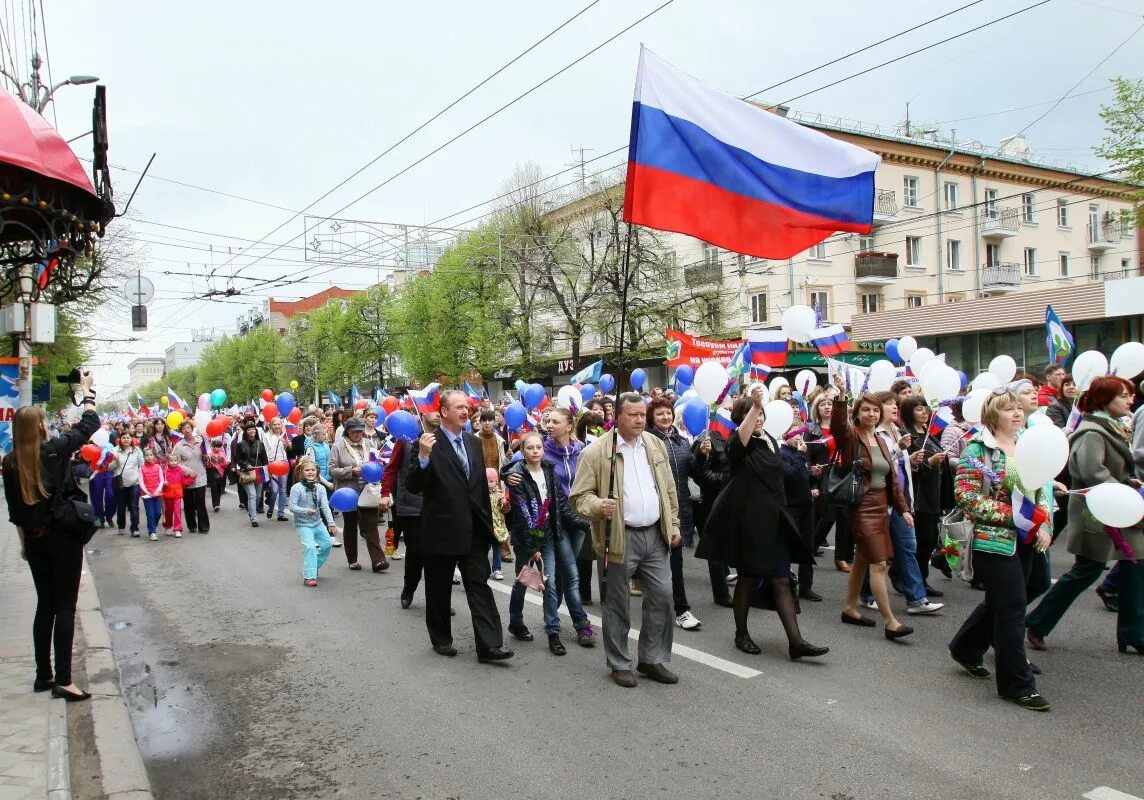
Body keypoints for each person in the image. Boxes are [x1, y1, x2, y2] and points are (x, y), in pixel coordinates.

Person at [696, 387, 828, 660]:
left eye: (760, 414)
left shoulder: (769, 439)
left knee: (781, 578)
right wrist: (755, 404)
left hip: (776, 519)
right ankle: (741, 633)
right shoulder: (737, 443)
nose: (757, 419)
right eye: (751, 415)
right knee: (748, 579)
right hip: (751, 523)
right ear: (740, 418)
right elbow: (741, 440)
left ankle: (796, 642)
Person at [949, 389, 1051, 712]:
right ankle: (1016, 684)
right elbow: (965, 495)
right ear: (994, 415)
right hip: (993, 541)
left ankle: (966, 647)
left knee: (1011, 597)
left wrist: (1043, 523)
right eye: (1009, 410)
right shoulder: (979, 450)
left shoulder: (1029, 444)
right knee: (1012, 607)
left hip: (1028, 537)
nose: (1017, 414)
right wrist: (1013, 518)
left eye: (1019, 408)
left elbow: (1042, 486)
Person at [571, 392, 681, 688]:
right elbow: (579, 497)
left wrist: (674, 523)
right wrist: (598, 506)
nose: (639, 419)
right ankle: (620, 663)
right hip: (618, 538)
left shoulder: (654, 444)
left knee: (663, 597)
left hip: (655, 535)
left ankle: (651, 659)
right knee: (617, 603)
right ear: (617, 417)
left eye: (642, 414)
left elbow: (668, 489)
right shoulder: (596, 452)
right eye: (632, 414)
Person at [1026, 376, 1142, 655]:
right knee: (1086, 571)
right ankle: (1038, 622)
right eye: (1123, 395)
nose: (1130, 400)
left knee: (1135, 565)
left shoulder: (1111, 426)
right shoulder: (1092, 431)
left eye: (1130, 395)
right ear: (1105, 400)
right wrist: (1124, 489)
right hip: (1099, 512)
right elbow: (1092, 472)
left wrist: (1128, 483)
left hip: (1116, 508)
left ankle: (1133, 632)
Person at [3, 370, 98, 700]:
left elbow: (15, 513)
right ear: (42, 427)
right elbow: (89, 425)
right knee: (65, 608)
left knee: (44, 605)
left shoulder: (10, 462)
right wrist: (86, 390)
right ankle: (65, 680)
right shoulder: (54, 450)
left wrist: (25, 546)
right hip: (64, 539)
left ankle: (43, 675)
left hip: (35, 540)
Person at [407, 390, 513, 662]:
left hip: (473, 530)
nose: (466, 412)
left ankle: (489, 646)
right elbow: (413, 486)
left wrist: (491, 526)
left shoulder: (473, 442)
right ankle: (441, 639)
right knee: (439, 588)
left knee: (479, 585)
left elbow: (477, 487)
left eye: (467, 407)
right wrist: (423, 457)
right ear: (443, 412)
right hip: (441, 530)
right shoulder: (427, 443)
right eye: (459, 408)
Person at [830, 390, 916, 639]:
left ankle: (849, 608)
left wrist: (903, 509)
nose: (872, 414)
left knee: (862, 560)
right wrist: (840, 401)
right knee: (879, 563)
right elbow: (837, 426)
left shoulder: (880, 439)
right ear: (856, 412)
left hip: (882, 506)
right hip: (861, 505)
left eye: (876, 410)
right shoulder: (851, 436)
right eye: (866, 409)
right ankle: (890, 622)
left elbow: (892, 481)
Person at [503, 431, 598, 654]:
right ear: (522, 451)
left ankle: (553, 633)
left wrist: (584, 523)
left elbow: (561, 506)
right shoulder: (517, 474)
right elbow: (522, 513)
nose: (535, 451)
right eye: (530, 448)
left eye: (538, 447)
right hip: (526, 538)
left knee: (550, 583)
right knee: (522, 582)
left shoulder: (549, 470)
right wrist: (531, 547)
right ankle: (516, 621)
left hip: (546, 536)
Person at [646, 397, 702, 631]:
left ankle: (681, 610)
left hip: (680, 508)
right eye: (660, 414)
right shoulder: (647, 442)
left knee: (676, 561)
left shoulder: (681, 441)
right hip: (656, 510)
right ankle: (664, 607)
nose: (665, 417)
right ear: (652, 418)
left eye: (668, 413)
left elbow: (694, 472)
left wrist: (702, 455)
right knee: (655, 563)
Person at [381, 406, 441, 608]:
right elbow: (391, 469)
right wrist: (384, 494)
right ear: (423, 413)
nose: (438, 414)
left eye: (440, 410)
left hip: (438, 505)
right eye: (434, 410)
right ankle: (409, 587)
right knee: (416, 552)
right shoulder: (405, 439)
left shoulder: (447, 439)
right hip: (411, 505)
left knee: (437, 555)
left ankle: (438, 599)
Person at [542, 407, 593, 603]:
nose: (549, 425)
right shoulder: (542, 451)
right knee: (571, 571)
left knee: (564, 569)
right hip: (557, 519)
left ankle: (553, 611)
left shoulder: (582, 450)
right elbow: (519, 464)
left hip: (579, 517)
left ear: (569, 426)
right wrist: (508, 475)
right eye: (548, 421)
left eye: (555, 422)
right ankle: (578, 621)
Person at [900, 396, 947, 598]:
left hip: (933, 494)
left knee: (928, 540)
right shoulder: (907, 436)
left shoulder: (929, 433)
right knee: (923, 540)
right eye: (919, 409)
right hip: (918, 496)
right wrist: (930, 462)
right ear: (910, 412)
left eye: (925, 409)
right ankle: (917, 580)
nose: (924, 412)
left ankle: (916, 578)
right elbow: (907, 468)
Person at [330, 416, 387, 572]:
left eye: (360, 432)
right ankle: (352, 560)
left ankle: (378, 561)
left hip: (368, 490)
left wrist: (376, 467)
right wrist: (351, 471)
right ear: (347, 431)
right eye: (354, 432)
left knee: (371, 525)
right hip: (348, 492)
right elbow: (332, 470)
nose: (357, 435)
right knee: (350, 526)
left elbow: (378, 462)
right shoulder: (338, 447)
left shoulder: (369, 443)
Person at [779, 418, 821, 602]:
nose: (799, 437)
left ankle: (806, 585)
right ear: (785, 434)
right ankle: (785, 584)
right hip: (790, 507)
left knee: (808, 547)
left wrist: (812, 477)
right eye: (794, 433)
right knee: (787, 547)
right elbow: (791, 476)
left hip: (805, 506)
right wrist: (801, 456)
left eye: (801, 433)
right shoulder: (782, 454)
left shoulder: (798, 453)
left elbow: (801, 477)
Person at [289, 460, 338, 587]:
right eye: (307, 470)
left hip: (317, 523)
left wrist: (331, 524)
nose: (310, 472)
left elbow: (325, 506)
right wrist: (305, 511)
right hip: (303, 524)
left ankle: (313, 565)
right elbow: (292, 507)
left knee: (327, 544)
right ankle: (309, 576)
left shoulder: (320, 488)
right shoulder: (296, 488)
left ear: (317, 472)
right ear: (301, 472)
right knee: (310, 547)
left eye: (313, 470)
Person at [172, 421, 210, 534]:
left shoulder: (200, 441)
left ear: (192, 429)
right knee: (189, 503)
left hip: (200, 475)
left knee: (200, 502)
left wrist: (207, 457)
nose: (186, 430)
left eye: (188, 428)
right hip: (187, 478)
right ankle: (191, 525)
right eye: (184, 428)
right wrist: (187, 471)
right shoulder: (178, 446)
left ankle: (203, 526)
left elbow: (206, 456)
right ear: (181, 431)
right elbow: (176, 463)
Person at [234, 422, 268, 527]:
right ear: (246, 432)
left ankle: (252, 509)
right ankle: (253, 518)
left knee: (258, 496)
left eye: (253, 429)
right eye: (249, 430)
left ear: (256, 431)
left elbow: (264, 459)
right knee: (252, 495)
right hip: (247, 473)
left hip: (259, 472)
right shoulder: (240, 444)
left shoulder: (260, 443)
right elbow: (238, 459)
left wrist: (266, 471)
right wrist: (245, 465)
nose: (251, 431)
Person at [112, 434, 143, 536]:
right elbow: (108, 468)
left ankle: (134, 528)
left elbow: (141, 465)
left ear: (131, 439)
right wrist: (115, 462)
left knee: (134, 506)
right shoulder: (114, 450)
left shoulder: (137, 450)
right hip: (120, 483)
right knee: (121, 506)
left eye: (128, 438)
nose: (126, 440)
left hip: (134, 482)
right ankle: (121, 526)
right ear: (120, 439)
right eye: (123, 438)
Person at [261, 417, 290, 521]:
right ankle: (271, 507)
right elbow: (265, 450)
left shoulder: (284, 435)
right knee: (274, 489)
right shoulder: (267, 436)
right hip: (273, 464)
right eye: (275, 424)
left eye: (279, 424)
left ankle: (281, 513)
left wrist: (287, 444)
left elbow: (287, 450)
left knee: (283, 490)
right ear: (271, 426)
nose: (277, 426)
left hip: (284, 463)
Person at [139, 448, 166, 541]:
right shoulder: (141, 468)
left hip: (157, 493)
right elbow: (141, 481)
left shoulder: (158, 467)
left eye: (151, 455)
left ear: (154, 456)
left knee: (157, 513)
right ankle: (152, 532)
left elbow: (162, 480)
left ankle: (153, 525)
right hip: (147, 495)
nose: (149, 457)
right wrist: (146, 491)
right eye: (147, 455)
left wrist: (158, 490)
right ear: (144, 457)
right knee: (150, 513)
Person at [89, 445, 117, 528]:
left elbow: (114, 458)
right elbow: (84, 459)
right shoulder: (90, 445)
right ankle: (99, 518)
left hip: (109, 472)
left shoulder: (109, 445)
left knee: (111, 495)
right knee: (96, 497)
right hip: (95, 473)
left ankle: (109, 516)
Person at [163, 451, 187, 538]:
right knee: (168, 512)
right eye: (171, 461)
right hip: (168, 495)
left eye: (175, 460)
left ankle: (177, 529)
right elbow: (162, 482)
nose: (173, 462)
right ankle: (168, 526)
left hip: (177, 494)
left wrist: (191, 479)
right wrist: (164, 484)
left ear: (178, 461)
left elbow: (183, 482)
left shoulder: (180, 471)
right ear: (168, 462)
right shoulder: (165, 472)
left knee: (177, 512)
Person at [205, 438, 228, 512]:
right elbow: (207, 465)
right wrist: (209, 461)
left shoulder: (222, 454)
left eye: (219, 447)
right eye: (216, 446)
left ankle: (218, 503)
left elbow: (225, 465)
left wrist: (223, 460)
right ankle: (215, 504)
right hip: (212, 472)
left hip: (220, 473)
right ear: (212, 447)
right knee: (214, 488)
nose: (217, 448)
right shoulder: (209, 454)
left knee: (219, 488)